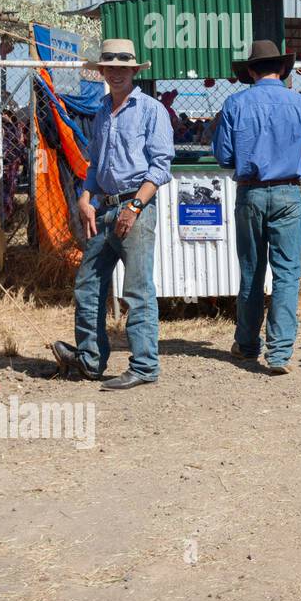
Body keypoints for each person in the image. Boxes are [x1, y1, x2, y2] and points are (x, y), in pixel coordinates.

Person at [53, 39, 173, 391]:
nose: (117, 73)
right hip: (103, 208)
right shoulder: (103, 110)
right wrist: (85, 196)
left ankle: (145, 366)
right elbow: (95, 163)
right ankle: (90, 360)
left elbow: (161, 166)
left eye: (124, 68)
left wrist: (135, 206)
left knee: (136, 290)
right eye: (111, 68)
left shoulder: (151, 110)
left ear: (134, 72)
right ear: (102, 72)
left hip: (134, 207)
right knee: (89, 286)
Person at [213, 40, 301, 374]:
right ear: (282, 69)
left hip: (250, 193)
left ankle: (248, 344)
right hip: (288, 193)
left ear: (251, 71)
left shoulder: (235, 104)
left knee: (252, 271)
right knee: (287, 273)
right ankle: (279, 353)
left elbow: (223, 156)